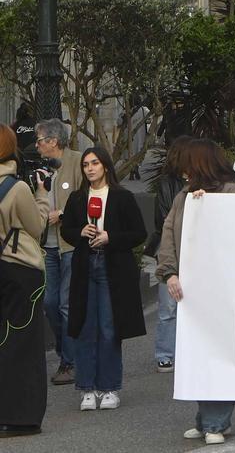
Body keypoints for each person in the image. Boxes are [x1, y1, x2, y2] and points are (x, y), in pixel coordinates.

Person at [156, 139, 235, 445]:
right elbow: (168, 233)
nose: (183, 172)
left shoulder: (232, 192)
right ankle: (206, 419)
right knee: (198, 356)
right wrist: (169, 272)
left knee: (219, 354)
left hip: (222, 290)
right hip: (190, 291)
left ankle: (217, 421)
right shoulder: (183, 196)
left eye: (187, 165)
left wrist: (209, 208)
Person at [61, 147, 147, 412]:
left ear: (105, 166)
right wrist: (80, 231)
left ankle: (109, 387)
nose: (89, 168)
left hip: (113, 267)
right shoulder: (77, 199)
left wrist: (110, 237)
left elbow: (138, 233)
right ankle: (87, 388)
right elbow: (66, 230)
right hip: (85, 265)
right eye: (85, 164)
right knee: (85, 327)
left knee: (110, 328)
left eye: (94, 163)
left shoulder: (122, 197)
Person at [0, 123, 49, 437]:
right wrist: (42, 195)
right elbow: (37, 226)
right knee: (24, 343)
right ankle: (21, 417)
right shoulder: (16, 188)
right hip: (20, 270)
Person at [33, 118, 83, 386]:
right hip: (47, 246)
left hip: (70, 245)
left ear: (53, 141)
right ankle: (66, 354)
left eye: (39, 140)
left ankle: (70, 362)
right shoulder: (41, 168)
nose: (37, 145)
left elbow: (86, 198)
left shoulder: (77, 161)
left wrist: (61, 213)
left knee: (65, 304)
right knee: (50, 303)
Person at [146, 136, 191, 373]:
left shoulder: (204, 181)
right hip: (170, 249)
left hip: (195, 252)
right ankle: (165, 353)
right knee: (168, 307)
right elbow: (163, 220)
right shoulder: (167, 183)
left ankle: (190, 351)